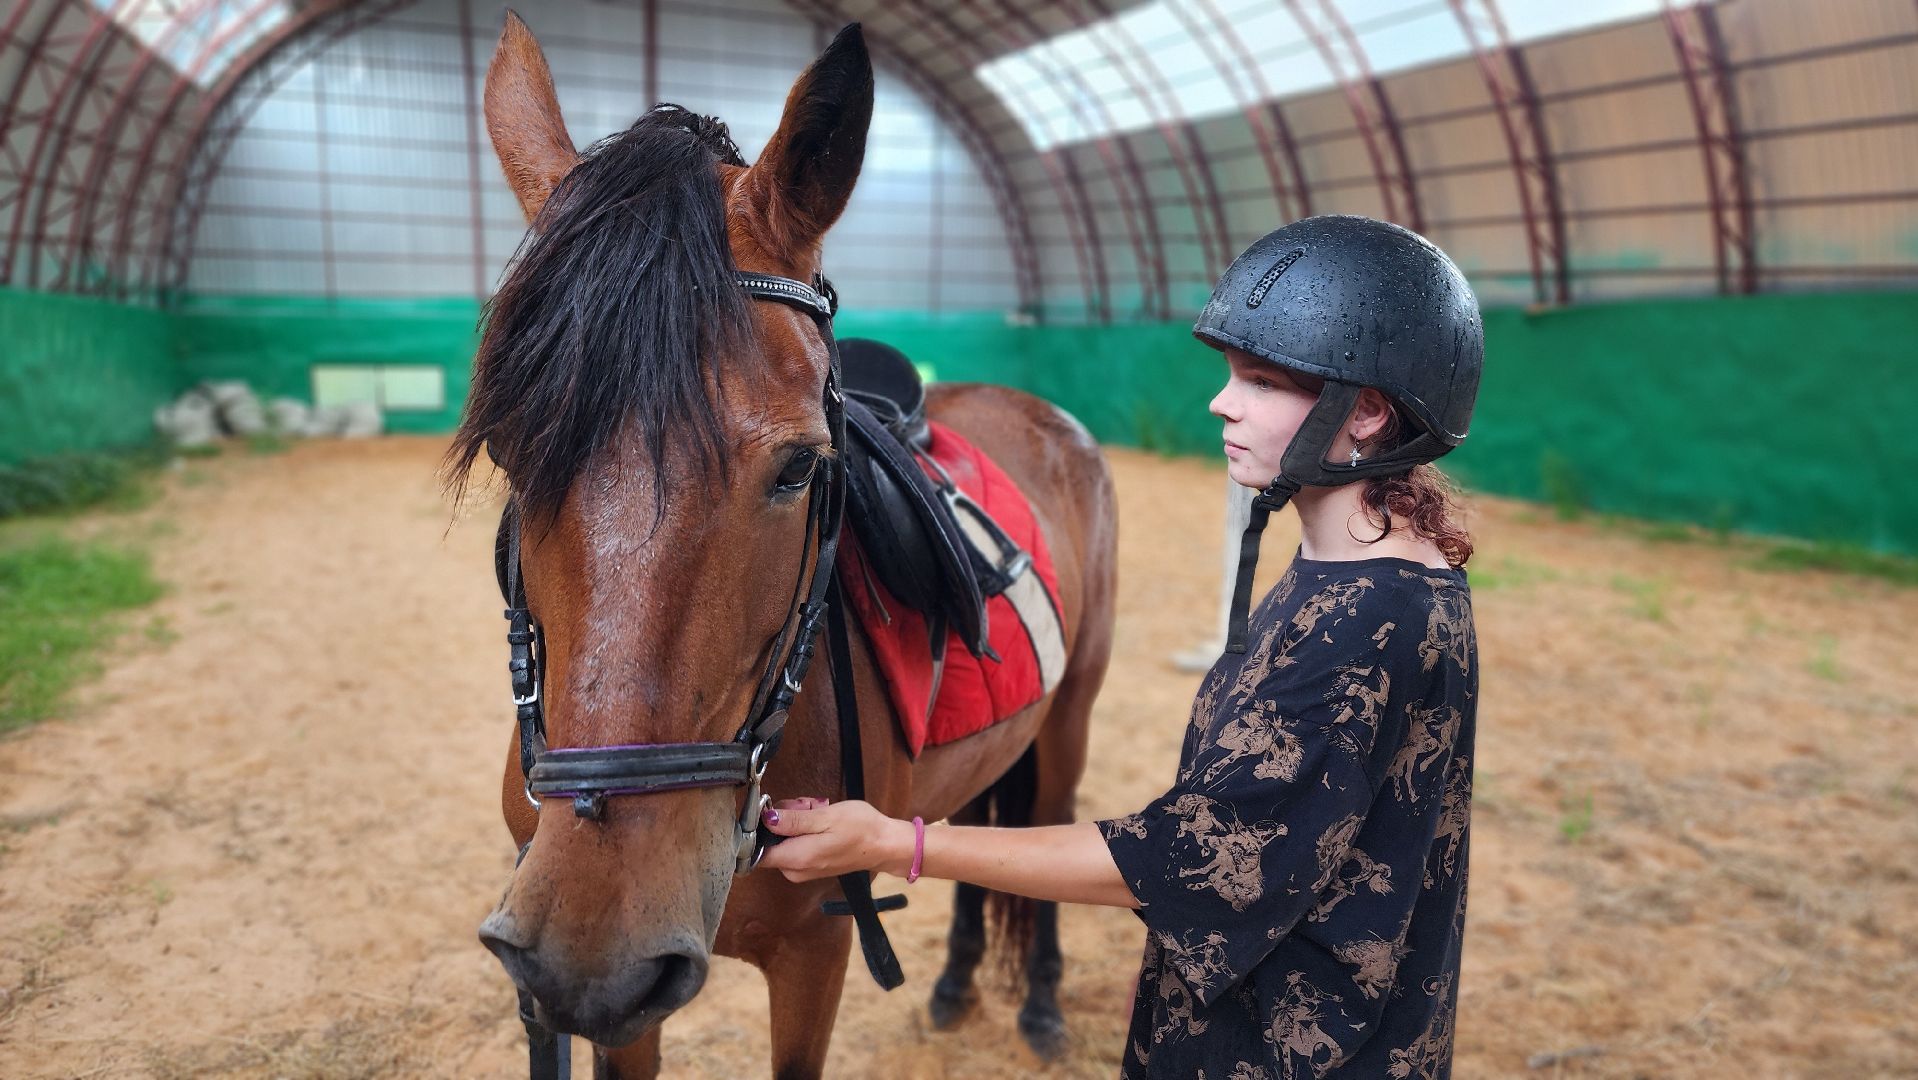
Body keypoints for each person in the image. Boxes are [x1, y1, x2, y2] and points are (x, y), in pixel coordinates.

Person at [760, 215, 1482, 1078]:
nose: (1222, 401)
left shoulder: (1367, 624)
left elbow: (1184, 861)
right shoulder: (1365, 569)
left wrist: (895, 845)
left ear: (1365, 410)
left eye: (1259, 381)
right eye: (1229, 376)